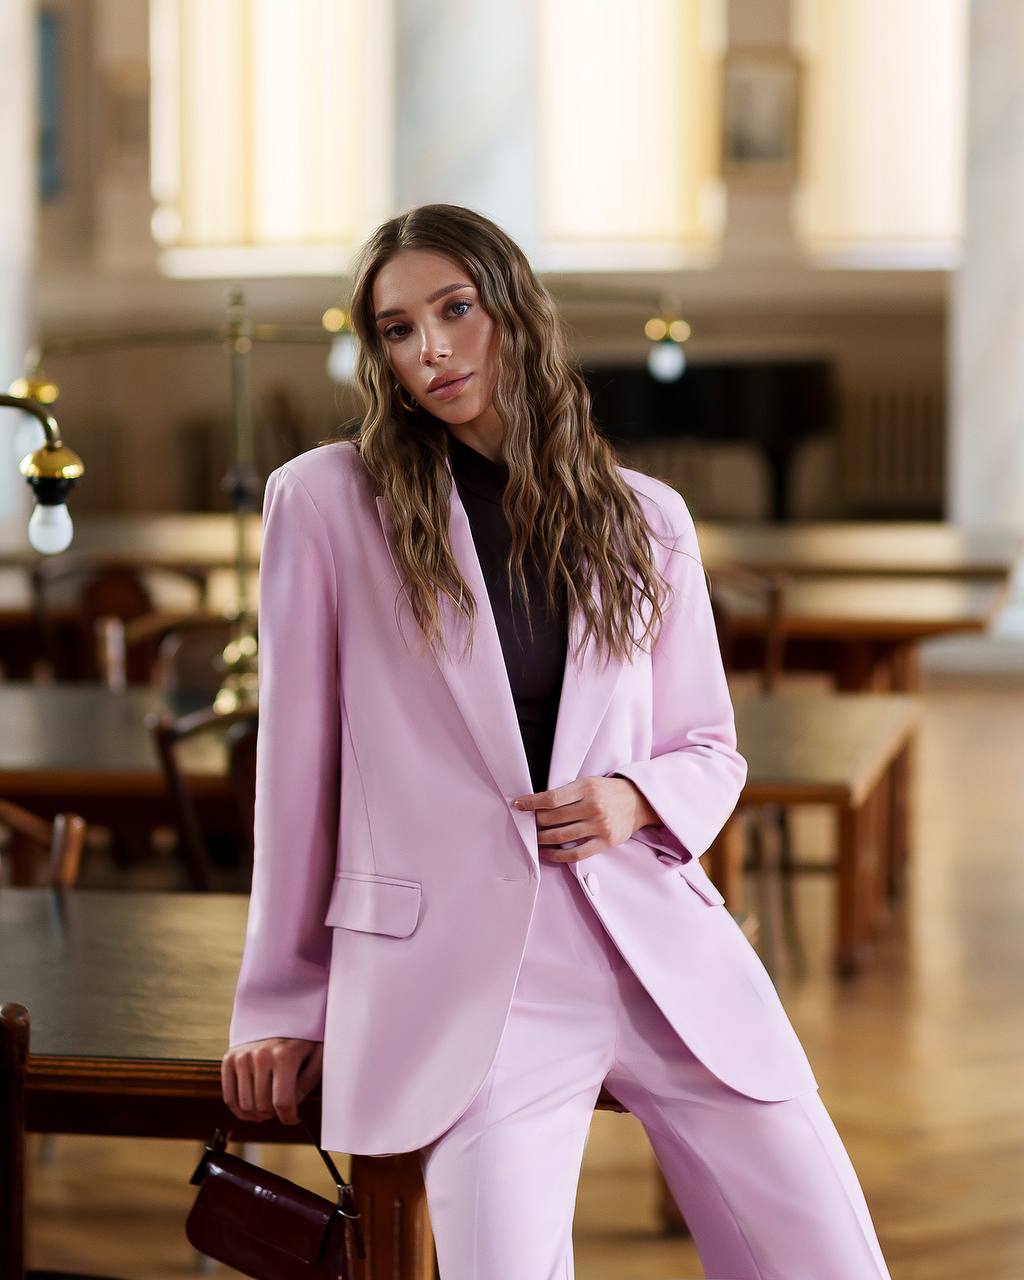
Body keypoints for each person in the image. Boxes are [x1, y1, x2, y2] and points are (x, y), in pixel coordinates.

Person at [221, 203, 892, 1279]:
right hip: (470, 979)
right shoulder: (326, 502)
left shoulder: (646, 517)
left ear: (515, 313)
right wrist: (281, 1001)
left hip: (657, 947)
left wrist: (632, 794)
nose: (430, 348)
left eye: (454, 309)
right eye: (397, 329)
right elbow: (295, 777)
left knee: (826, 1258)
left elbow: (710, 745)